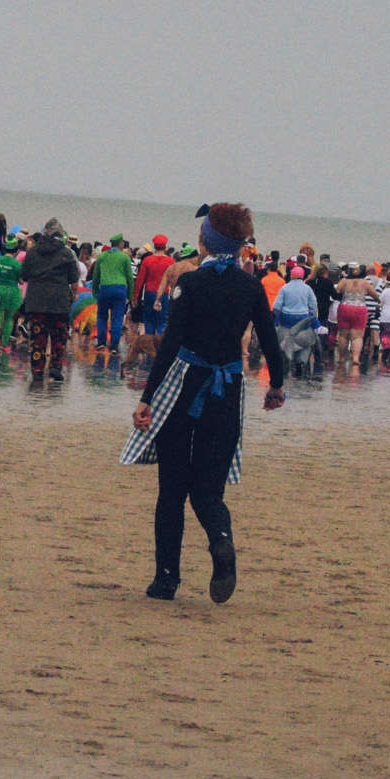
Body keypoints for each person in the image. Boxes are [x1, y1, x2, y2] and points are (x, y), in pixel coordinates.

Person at [126, 202, 285, 604]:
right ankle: (220, 540)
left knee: (172, 490)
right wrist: (276, 387)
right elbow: (269, 340)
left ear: (206, 241)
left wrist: (147, 398)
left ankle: (166, 580)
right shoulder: (250, 286)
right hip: (227, 390)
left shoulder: (191, 284)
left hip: (184, 387)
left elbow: (171, 344)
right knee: (209, 493)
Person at [17, 219, 80, 387]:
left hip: (37, 301)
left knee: (38, 338)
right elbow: (74, 277)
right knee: (59, 337)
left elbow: (24, 274)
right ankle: (56, 368)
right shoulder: (66, 253)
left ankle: (37, 372)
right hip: (59, 301)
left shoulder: (32, 252)